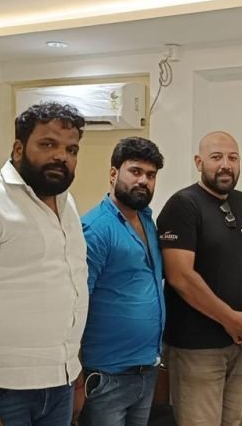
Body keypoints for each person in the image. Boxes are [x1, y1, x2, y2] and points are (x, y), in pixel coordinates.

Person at [0, 102, 89, 426]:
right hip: (0, 390)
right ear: (19, 148)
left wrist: (75, 370)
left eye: (71, 150)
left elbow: (73, 291)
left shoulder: (67, 204)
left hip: (62, 381)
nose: (61, 157)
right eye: (48, 144)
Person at [156, 131, 242, 426]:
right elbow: (180, 276)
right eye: (216, 157)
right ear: (199, 162)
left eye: (233, 157)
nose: (225, 165)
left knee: (234, 421)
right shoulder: (183, 205)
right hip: (197, 347)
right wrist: (230, 319)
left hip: (241, 341)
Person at [78, 137, 166, 426]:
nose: (143, 181)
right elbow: (78, 302)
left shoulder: (147, 220)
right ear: (113, 173)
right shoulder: (96, 228)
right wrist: (75, 373)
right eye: (135, 171)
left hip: (146, 369)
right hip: (107, 376)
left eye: (150, 175)